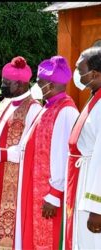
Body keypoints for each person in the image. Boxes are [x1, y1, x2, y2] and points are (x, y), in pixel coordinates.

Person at [15, 56, 79, 249]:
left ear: (51, 85)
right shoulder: (48, 106)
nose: (37, 85)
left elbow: (62, 156)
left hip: (49, 195)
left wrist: (53, 194)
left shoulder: (66, 111)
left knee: (48, 239)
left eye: (40, 82)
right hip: (35, 186)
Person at [0, 56, 42, 249]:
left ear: (20, 84)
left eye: (6, 83)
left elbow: (28, 148)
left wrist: (1, 153)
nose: (3, 86)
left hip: (15, 177)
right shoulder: (6, 104)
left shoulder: (33, 109)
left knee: (9, 228)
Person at [64, 47, 101, 249]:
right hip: (82, 177)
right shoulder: (95, 97)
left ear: (94, 74)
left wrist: (97, 207)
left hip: (92, 187)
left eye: (80, 70)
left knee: (91, 242)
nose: (77, 75)